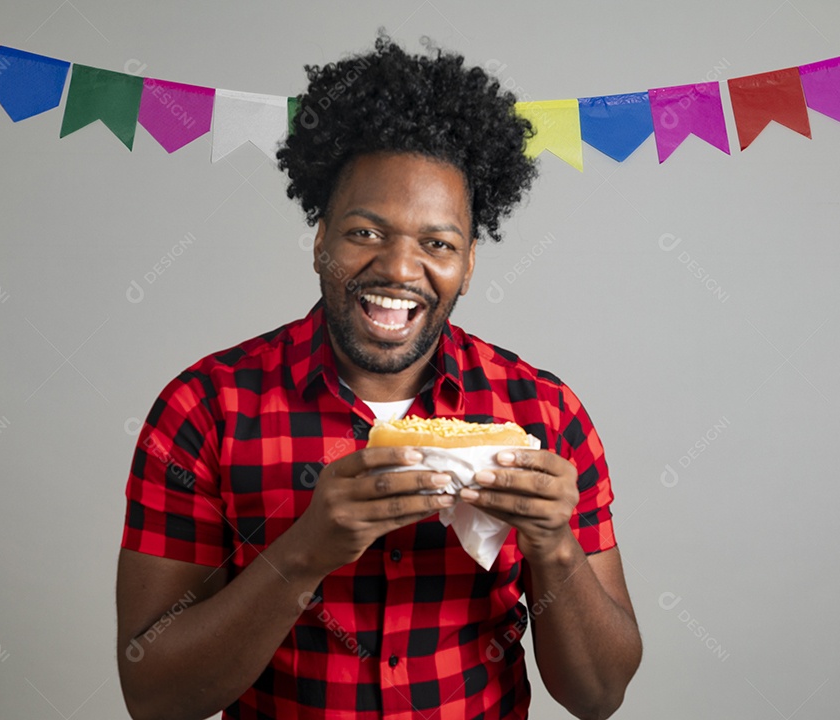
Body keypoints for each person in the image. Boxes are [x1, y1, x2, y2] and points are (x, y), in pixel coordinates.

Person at [116, 33, 641, 720]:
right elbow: (153, 695)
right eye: (365, 232)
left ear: (469, 264)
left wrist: (554, 544)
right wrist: (303, 554)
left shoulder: (544, 413)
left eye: (437, 244)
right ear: (320, 241)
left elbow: (599, 697)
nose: (398, 268)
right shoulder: (204, 410)